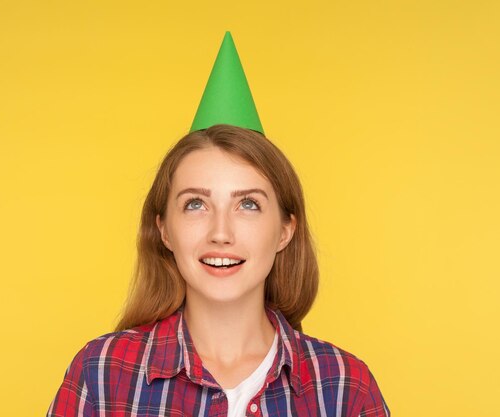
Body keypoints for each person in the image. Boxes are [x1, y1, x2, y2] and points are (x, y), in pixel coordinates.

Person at [46, 33, 390, 417]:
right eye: (196, 204)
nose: (221, 233)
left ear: (285, 230)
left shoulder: (345, 386)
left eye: (247, 204)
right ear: (164, 230)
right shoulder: (101, 375)